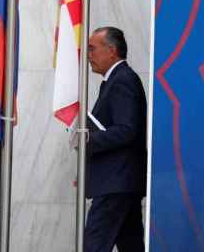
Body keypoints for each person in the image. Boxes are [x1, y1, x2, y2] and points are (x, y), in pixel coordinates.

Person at [84, 27, 147, 252]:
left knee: (95, 244)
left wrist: (88, 140)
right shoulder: (115, 80)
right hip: (121, 181)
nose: (88, 55)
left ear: (112, 51)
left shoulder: (122, 80)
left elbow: (127, 130)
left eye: (92, 49)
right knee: (131, 245)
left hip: (116, 182)